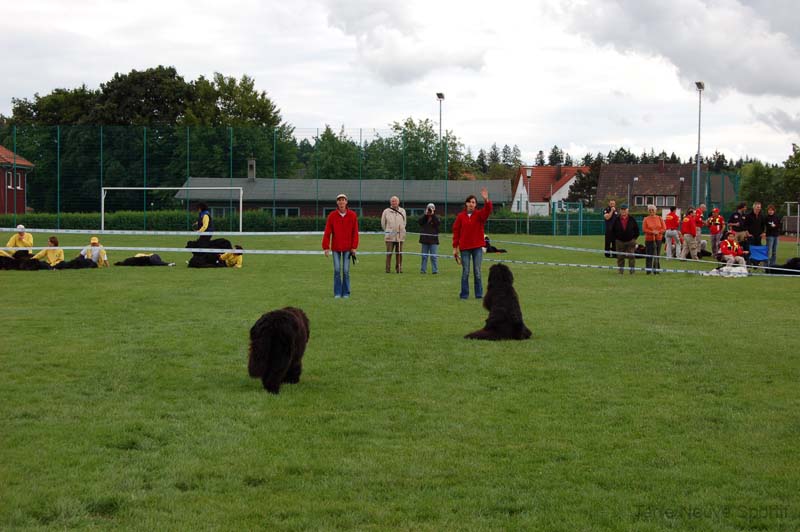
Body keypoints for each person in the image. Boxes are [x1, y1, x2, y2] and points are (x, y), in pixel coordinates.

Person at [452, 187, 492, 299]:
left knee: (477, 272)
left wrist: (486, 200)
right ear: (466, 203)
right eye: (469, 202)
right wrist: (455, 248)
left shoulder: (480, 215)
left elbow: (487, 210)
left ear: (475, 205)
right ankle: (464, 295)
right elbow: (456, 232)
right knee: (465, 272)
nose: (471, 204)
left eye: (473, 202)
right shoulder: (460, 217)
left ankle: (479, 295)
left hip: (477, 248)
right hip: (464, 248)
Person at [322, 193, 359, 299]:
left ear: (346, 202)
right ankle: (337, 293)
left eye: (343, 200)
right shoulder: (332, 216)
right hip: (336, 247)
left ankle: (346, 293)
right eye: (339, 200)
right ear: (337, 203)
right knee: (337, 270)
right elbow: (327, 232)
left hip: (348, 248)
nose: (341, 202)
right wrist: (326, 247)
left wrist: (354, 247)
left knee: (346, 271)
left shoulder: (352, 215)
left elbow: (355, 232)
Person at [610, 204, 639, 274]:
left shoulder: (632, 219)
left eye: (625, 210)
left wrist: (634, 239)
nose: (623, 211)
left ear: (627, 210)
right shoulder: (616, 219)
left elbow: (637, 230)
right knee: (620, 257)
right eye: (622, 210)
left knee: (631, 256)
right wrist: (616, 239)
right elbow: (612, 230)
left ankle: (632, 271)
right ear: (620, 211)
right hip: (619, 242)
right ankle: (620, 271)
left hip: (630, 241)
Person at [381, 195, 406, 273]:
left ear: (398, 202)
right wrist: (388, 230)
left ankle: (399, 268)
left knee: (399, 254)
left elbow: (404, 222)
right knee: (389, 254)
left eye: (395, 201)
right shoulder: (386, 211)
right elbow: (383, 223)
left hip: (400, 236)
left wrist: (401, 230)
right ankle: (387, 269)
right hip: (389, 236)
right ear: (390, 202)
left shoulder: (403, 211)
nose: (394, 202)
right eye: (392, 201)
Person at [642, 204, 665, 274]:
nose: (651, 211)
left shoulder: (659, 218)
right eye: (650, 210)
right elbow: (644, 229)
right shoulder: (646, 219)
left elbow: (664, 228)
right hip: (649, 239)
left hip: (658, 239)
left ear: (655, 210)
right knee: (649, 255)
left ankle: (656, 270)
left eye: (653, 210)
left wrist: (658, 232)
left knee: (657, 254)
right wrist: (652, 232)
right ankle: (648, 270)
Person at [418, 202, 440, 274]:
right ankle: (423, 270)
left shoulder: (436, 217)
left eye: (432, 208)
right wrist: (425, 214)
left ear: (434, 209)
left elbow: (437, 223)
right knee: (424, 257)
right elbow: (420, 222)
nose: (430, 210)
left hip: (433, 241)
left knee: (434, 257)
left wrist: (432, 215)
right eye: (429, 208)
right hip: (424, 240)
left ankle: (435, 270)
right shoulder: (424, 217)